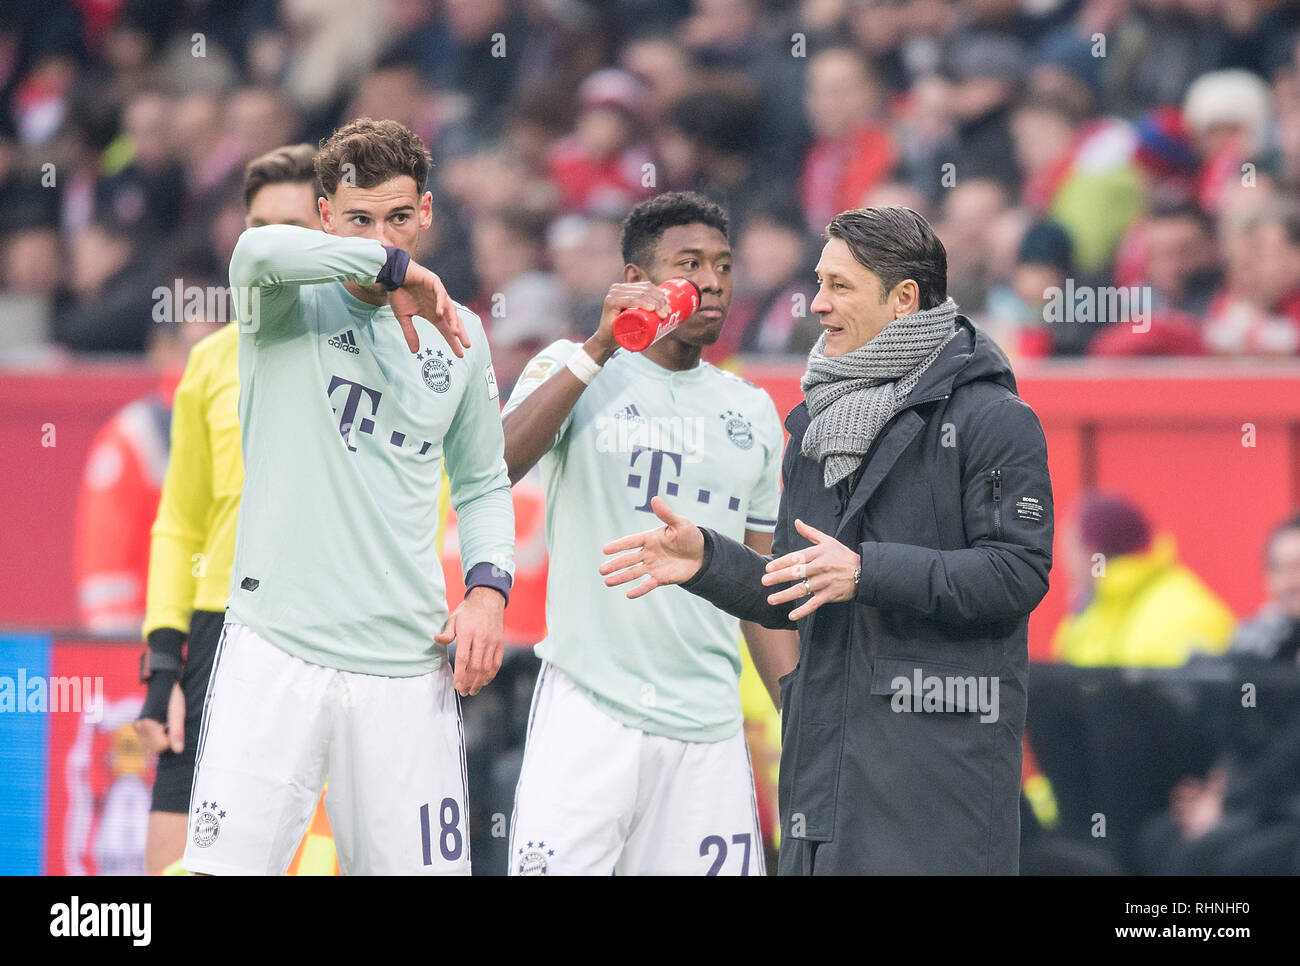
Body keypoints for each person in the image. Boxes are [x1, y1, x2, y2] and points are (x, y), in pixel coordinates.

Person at [602, 205, 1054, 875]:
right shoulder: (816, 419)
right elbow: (795, 583)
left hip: (936, 787)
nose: (817, 304)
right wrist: (710, 560)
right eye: (819, 283)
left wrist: (867, 571)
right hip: (823, 775)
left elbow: (1018, 572)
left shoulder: (996, 419)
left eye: (839, 286)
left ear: (903, 298)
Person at [182, 118, 514, 876]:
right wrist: (393, 268)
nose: (382, 235)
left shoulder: (457, 336)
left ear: (427, 213)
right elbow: (254, 248)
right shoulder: (283, 304)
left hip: (404, 664)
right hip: (276, 649)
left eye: (400, 218)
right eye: (359, 219)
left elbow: (484, 482)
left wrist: (489, 591)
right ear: (325, 217)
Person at [502, 191, 797, 875]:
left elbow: (760, 592)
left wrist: (802, 719)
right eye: (688, 264)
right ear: (635, 281)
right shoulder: (574, 368)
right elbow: (494, 464)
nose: (711, 282)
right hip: (589, 708)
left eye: (723, 265)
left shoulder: (749, 410)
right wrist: (601, 345)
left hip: (708, 733)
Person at [135, 144, 332, 875]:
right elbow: (178, 522)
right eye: (257, 227)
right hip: (220, 628)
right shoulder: (210, 362)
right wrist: (163, 671)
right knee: (173, 854)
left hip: (333, 624)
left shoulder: (373, 352)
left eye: (289, 225)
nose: (271, 245)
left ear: (327, 231)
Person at [1052, 493, 1235, 667]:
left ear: (1092, 552)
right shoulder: (1094, 609)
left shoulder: (1181, 614)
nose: (1062, 560)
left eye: (1069, 547)